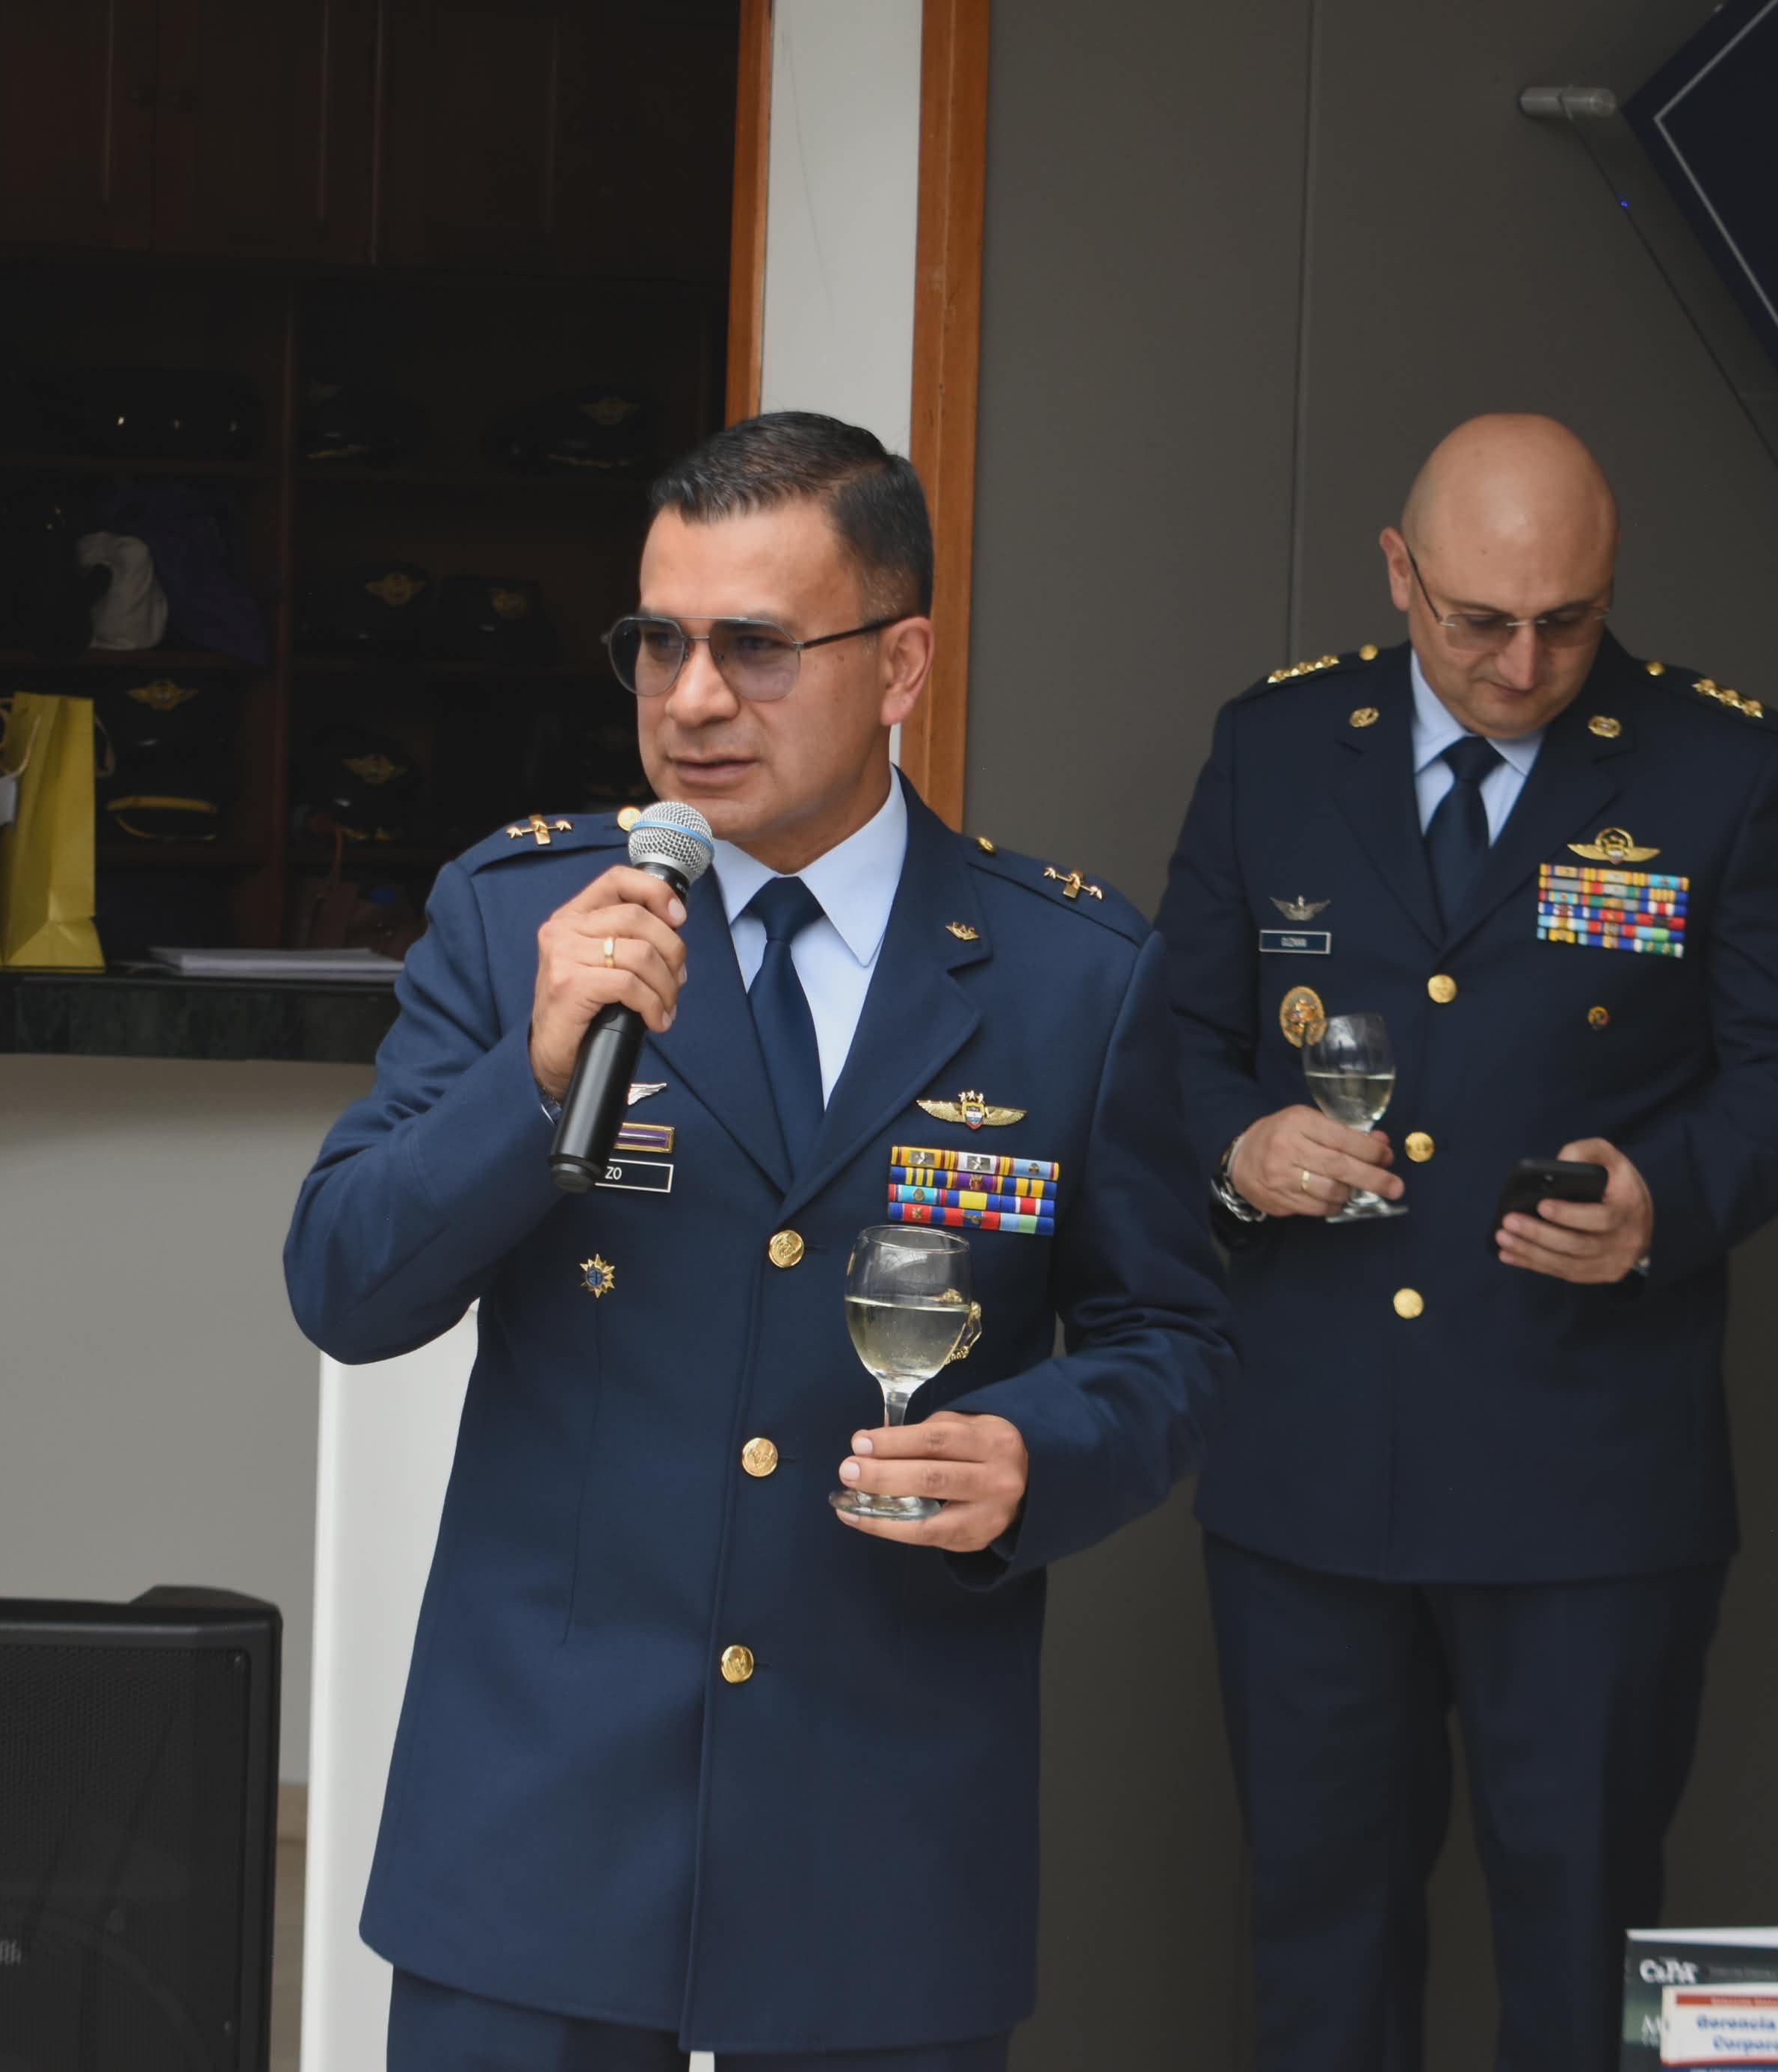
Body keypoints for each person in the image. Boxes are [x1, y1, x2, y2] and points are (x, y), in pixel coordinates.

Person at [286, 410, 1232, 2071]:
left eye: (753, 646)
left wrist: (1035, 1447)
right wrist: (536, 1072)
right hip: (539, 1836)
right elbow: (347, 1285)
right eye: (656, 641)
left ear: (900, 663)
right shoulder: (520, 921)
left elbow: (1172, 1341)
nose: (692, 698)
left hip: (879, 1831)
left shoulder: (1068, 973)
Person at [1155, 413, 1778, 2070]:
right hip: (1313, 1466)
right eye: (1479, 620)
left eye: (1570, 618)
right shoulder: (1275, 747)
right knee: (1318, 1953)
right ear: (1399, 575)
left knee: (1579, 1949)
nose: (1525, 661)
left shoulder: (1725, 764)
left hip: (1586, 1478)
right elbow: (1176, 1045)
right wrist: (1236, 1144)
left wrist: (1662, 1202)